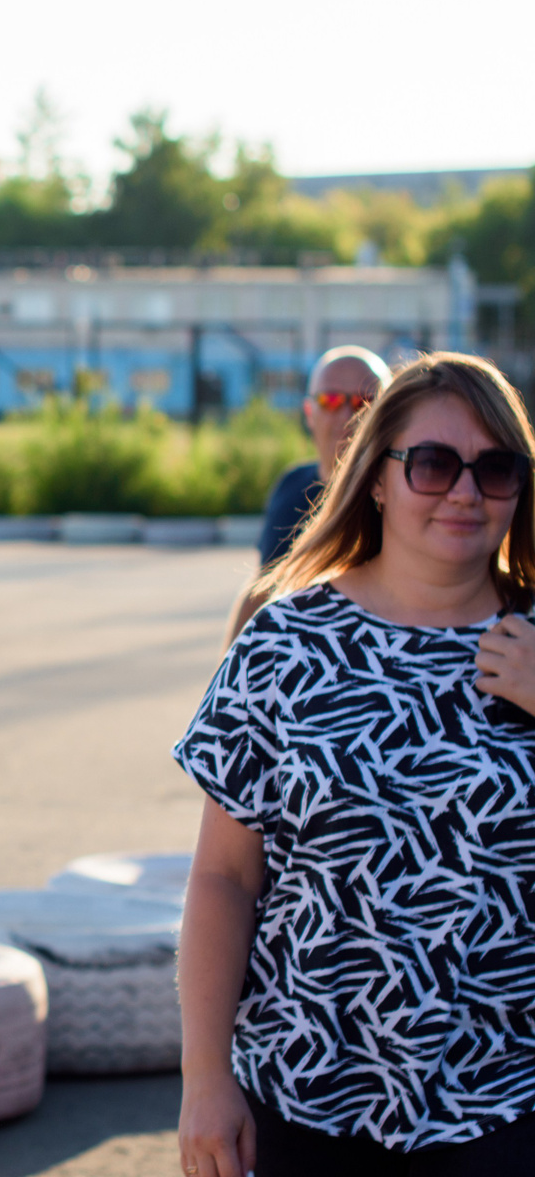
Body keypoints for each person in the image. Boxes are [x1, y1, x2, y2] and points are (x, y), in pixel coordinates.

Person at [173, 352, 535, 1177]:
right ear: (375, 478)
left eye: (496, 468)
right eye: (434, 464)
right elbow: (223, 879)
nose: (466, 493)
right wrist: (204, 1078)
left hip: (505, 1106)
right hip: (303, 1098)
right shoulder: (285, 642)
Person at [222, 345, 392, 644]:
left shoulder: (403, 499)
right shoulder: (291, 486)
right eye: (330, 400)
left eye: (365, 401)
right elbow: (262, 587)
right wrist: (228, 666)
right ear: (309, 412)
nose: (347, 415)